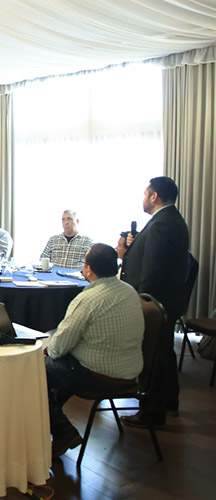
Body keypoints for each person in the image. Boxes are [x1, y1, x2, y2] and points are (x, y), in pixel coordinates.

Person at [44, 244, 144, 457]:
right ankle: (52, 425)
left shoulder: (87, 299)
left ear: (88, 269)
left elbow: (59, 347)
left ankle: (62, 431)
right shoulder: (130, 291)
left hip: (98, 377)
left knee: (36, 369)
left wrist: (46, 350)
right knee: (56, 372)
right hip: (131, 373)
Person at [116, 176, 189, 426]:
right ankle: (169, 401)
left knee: (154, 356)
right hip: (166, 301)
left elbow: (153, 270)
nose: (144, 199)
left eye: (145, 194)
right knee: (164, 352)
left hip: (155, 303)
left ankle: (152, 412)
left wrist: (141, 302)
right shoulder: (171, 219)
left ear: (154, 196)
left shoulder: (162, 224)